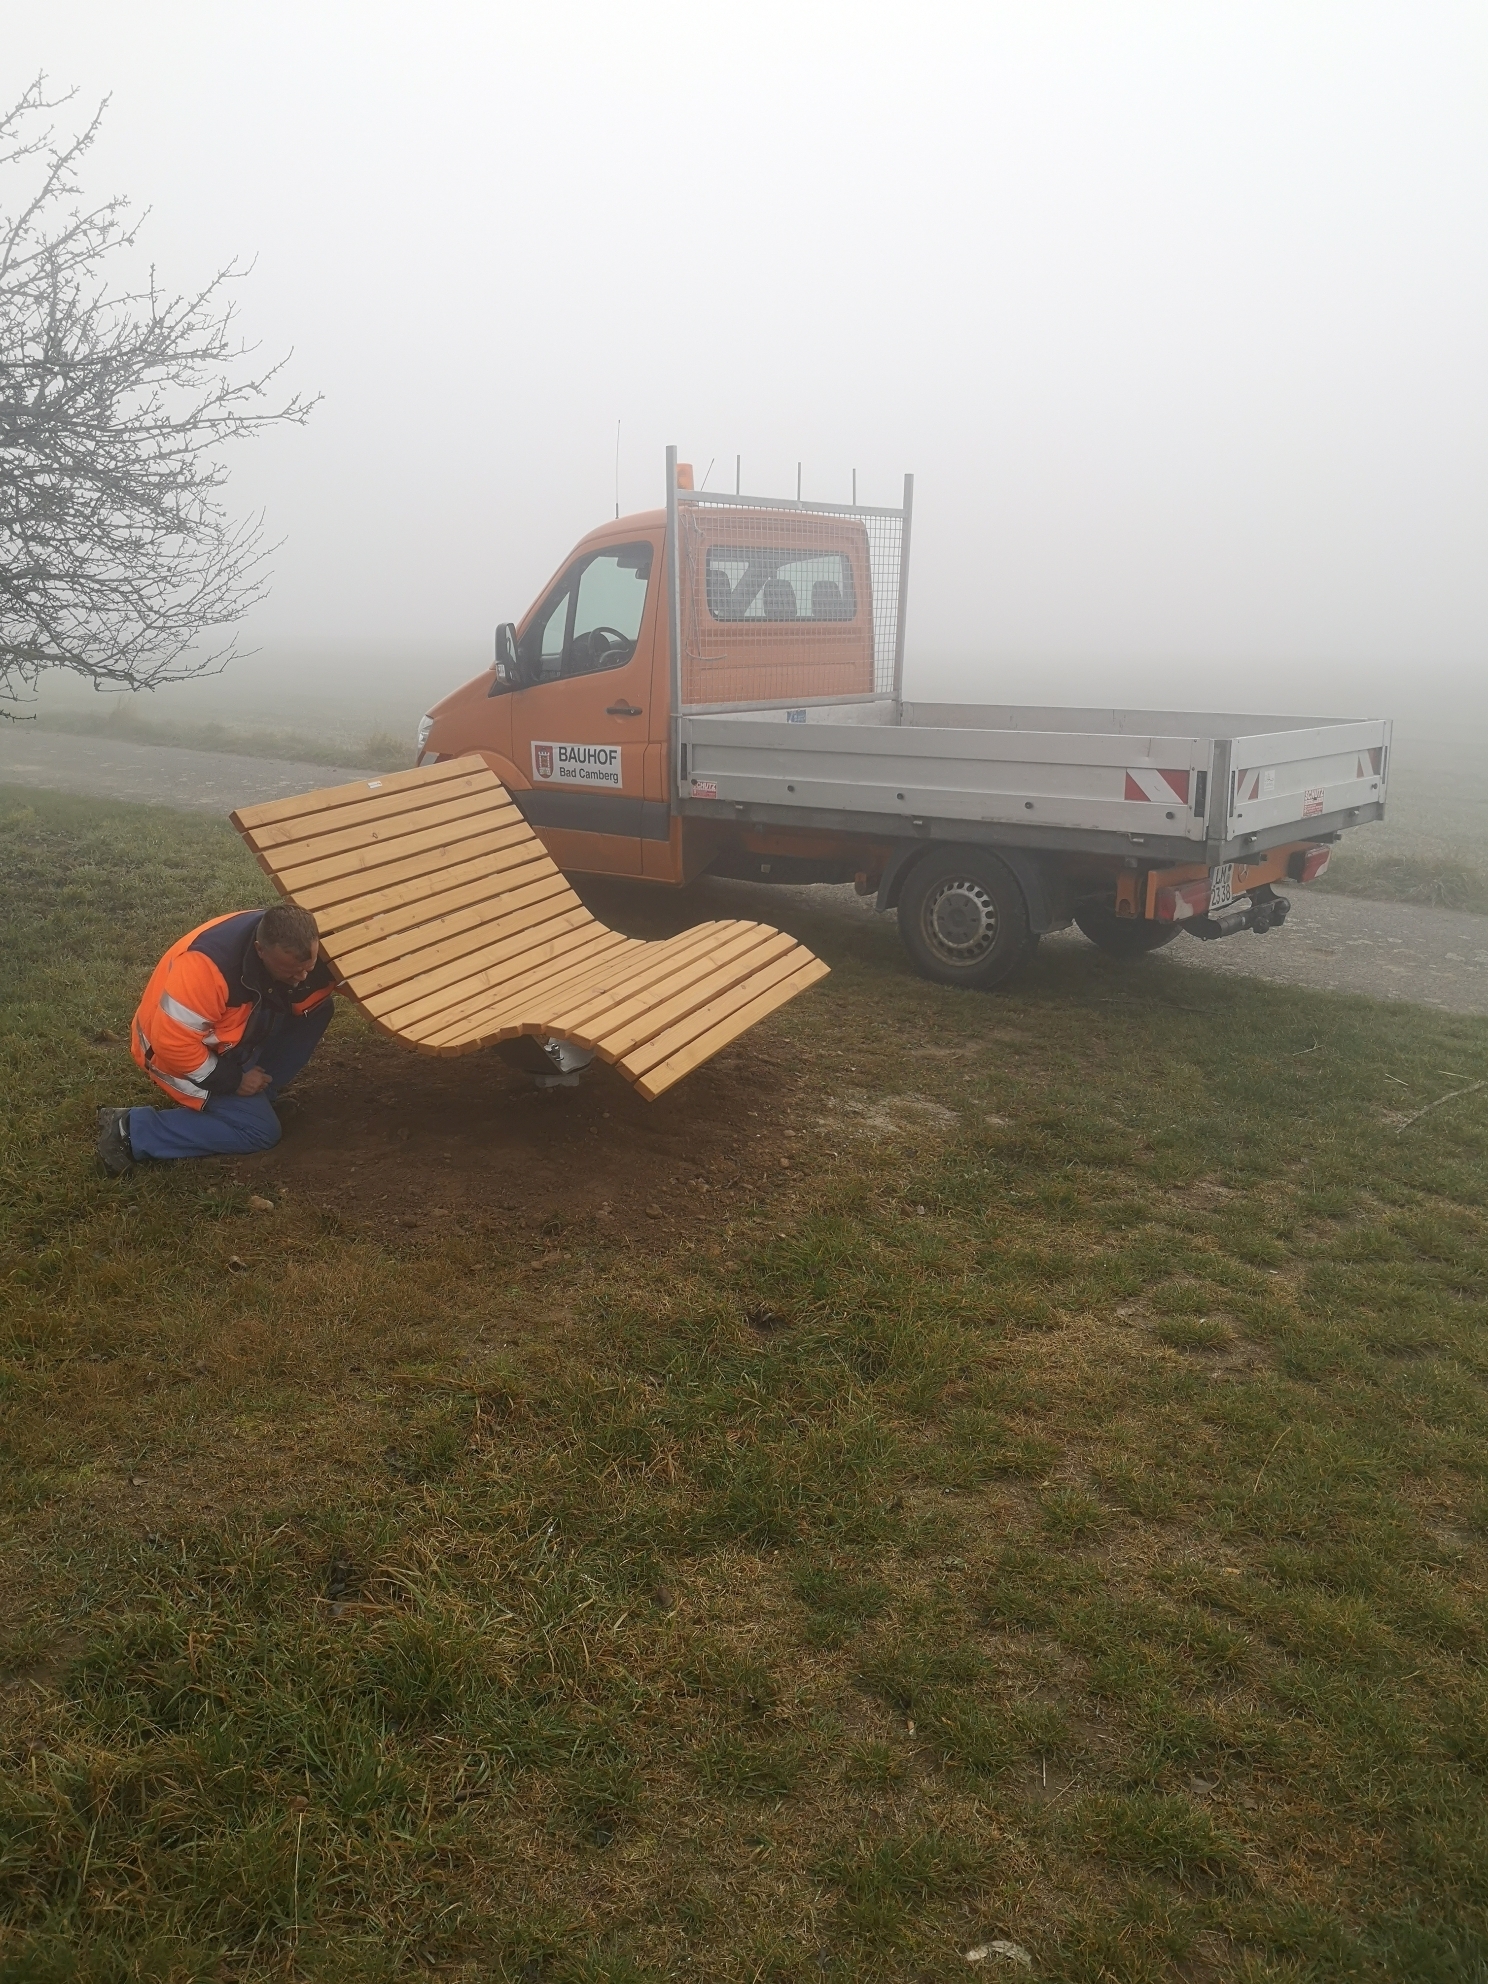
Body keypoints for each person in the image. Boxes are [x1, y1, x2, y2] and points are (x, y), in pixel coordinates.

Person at [96, 903, 337, 1174]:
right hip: (175, 1054)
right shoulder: (207, 968)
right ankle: (131, 1129)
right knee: (261, 1131)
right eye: (290, 972)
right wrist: (235, 1081)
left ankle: (260, 1098)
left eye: (308, 967)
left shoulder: (288, 934)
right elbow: (172, 1044)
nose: (302, 977)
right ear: (260, 950)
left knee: (316, 1009)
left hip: (227, 1037)